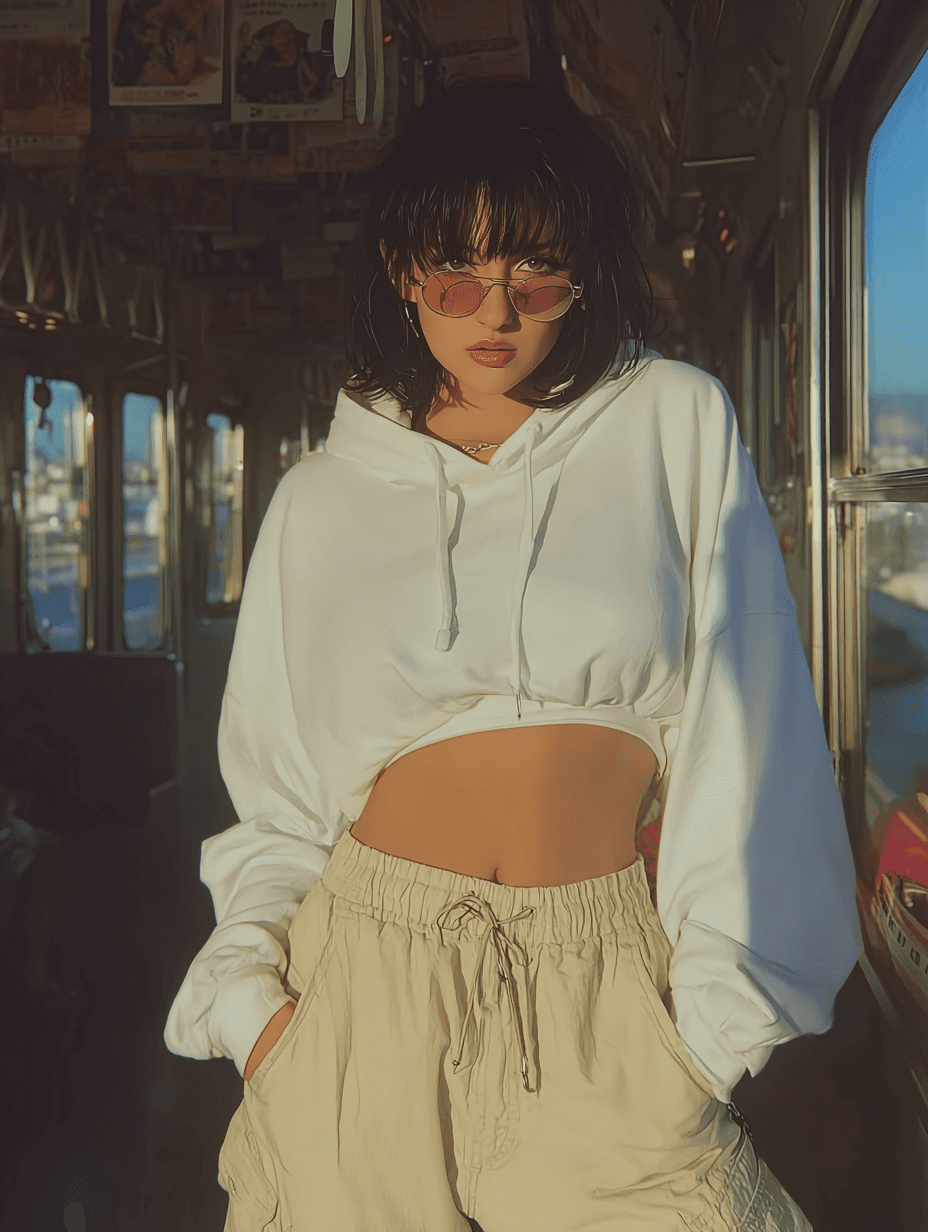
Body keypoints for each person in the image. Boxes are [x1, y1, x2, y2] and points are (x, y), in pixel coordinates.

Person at [164, 79, 862, 1231]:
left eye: (536, 274)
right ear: (400, 268)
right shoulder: (318, 497)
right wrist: (258, 1017)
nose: (497, 313)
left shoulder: (668, 419)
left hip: (605, 1003)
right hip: (357, 995)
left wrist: (708, 1030)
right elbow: (279, 796)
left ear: (580, 272)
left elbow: (751, 716)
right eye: (455, 277)